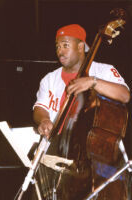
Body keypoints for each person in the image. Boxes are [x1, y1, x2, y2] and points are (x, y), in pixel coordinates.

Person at [33, 24, 130, 199]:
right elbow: (40, 107)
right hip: (56, 151)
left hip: (94, 154)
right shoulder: (49, 78)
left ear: (80, 46)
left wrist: (93, 82)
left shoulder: (103, 70)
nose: (60, 51)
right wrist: (44, 120)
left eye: (65, 45)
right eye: (57, 46)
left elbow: (124, 95)